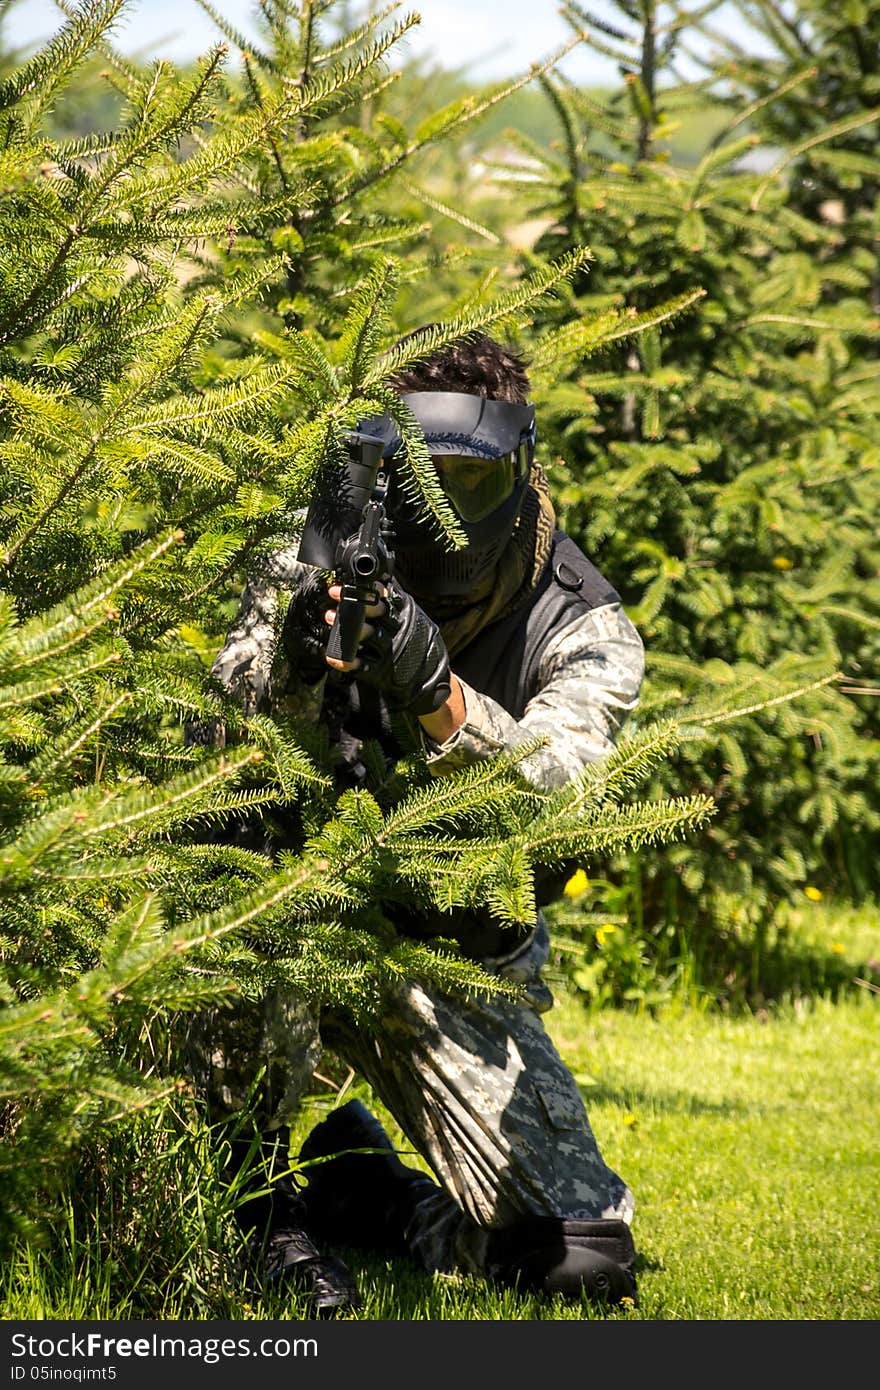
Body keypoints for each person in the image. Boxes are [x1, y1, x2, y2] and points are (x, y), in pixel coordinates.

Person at [194, 331, 646, 1315]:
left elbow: (554, 785)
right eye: (417, 476)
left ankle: (374, 1196)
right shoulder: (321, 548)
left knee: (584, 1255)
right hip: (285, 916)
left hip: (447, 949)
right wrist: (302, 654)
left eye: (466, 481)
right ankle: (259, 1209)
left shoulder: (578, 622)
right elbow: (220, 710)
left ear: (521, 471)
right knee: (253, 878)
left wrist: (437, 691)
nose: (441, 512)